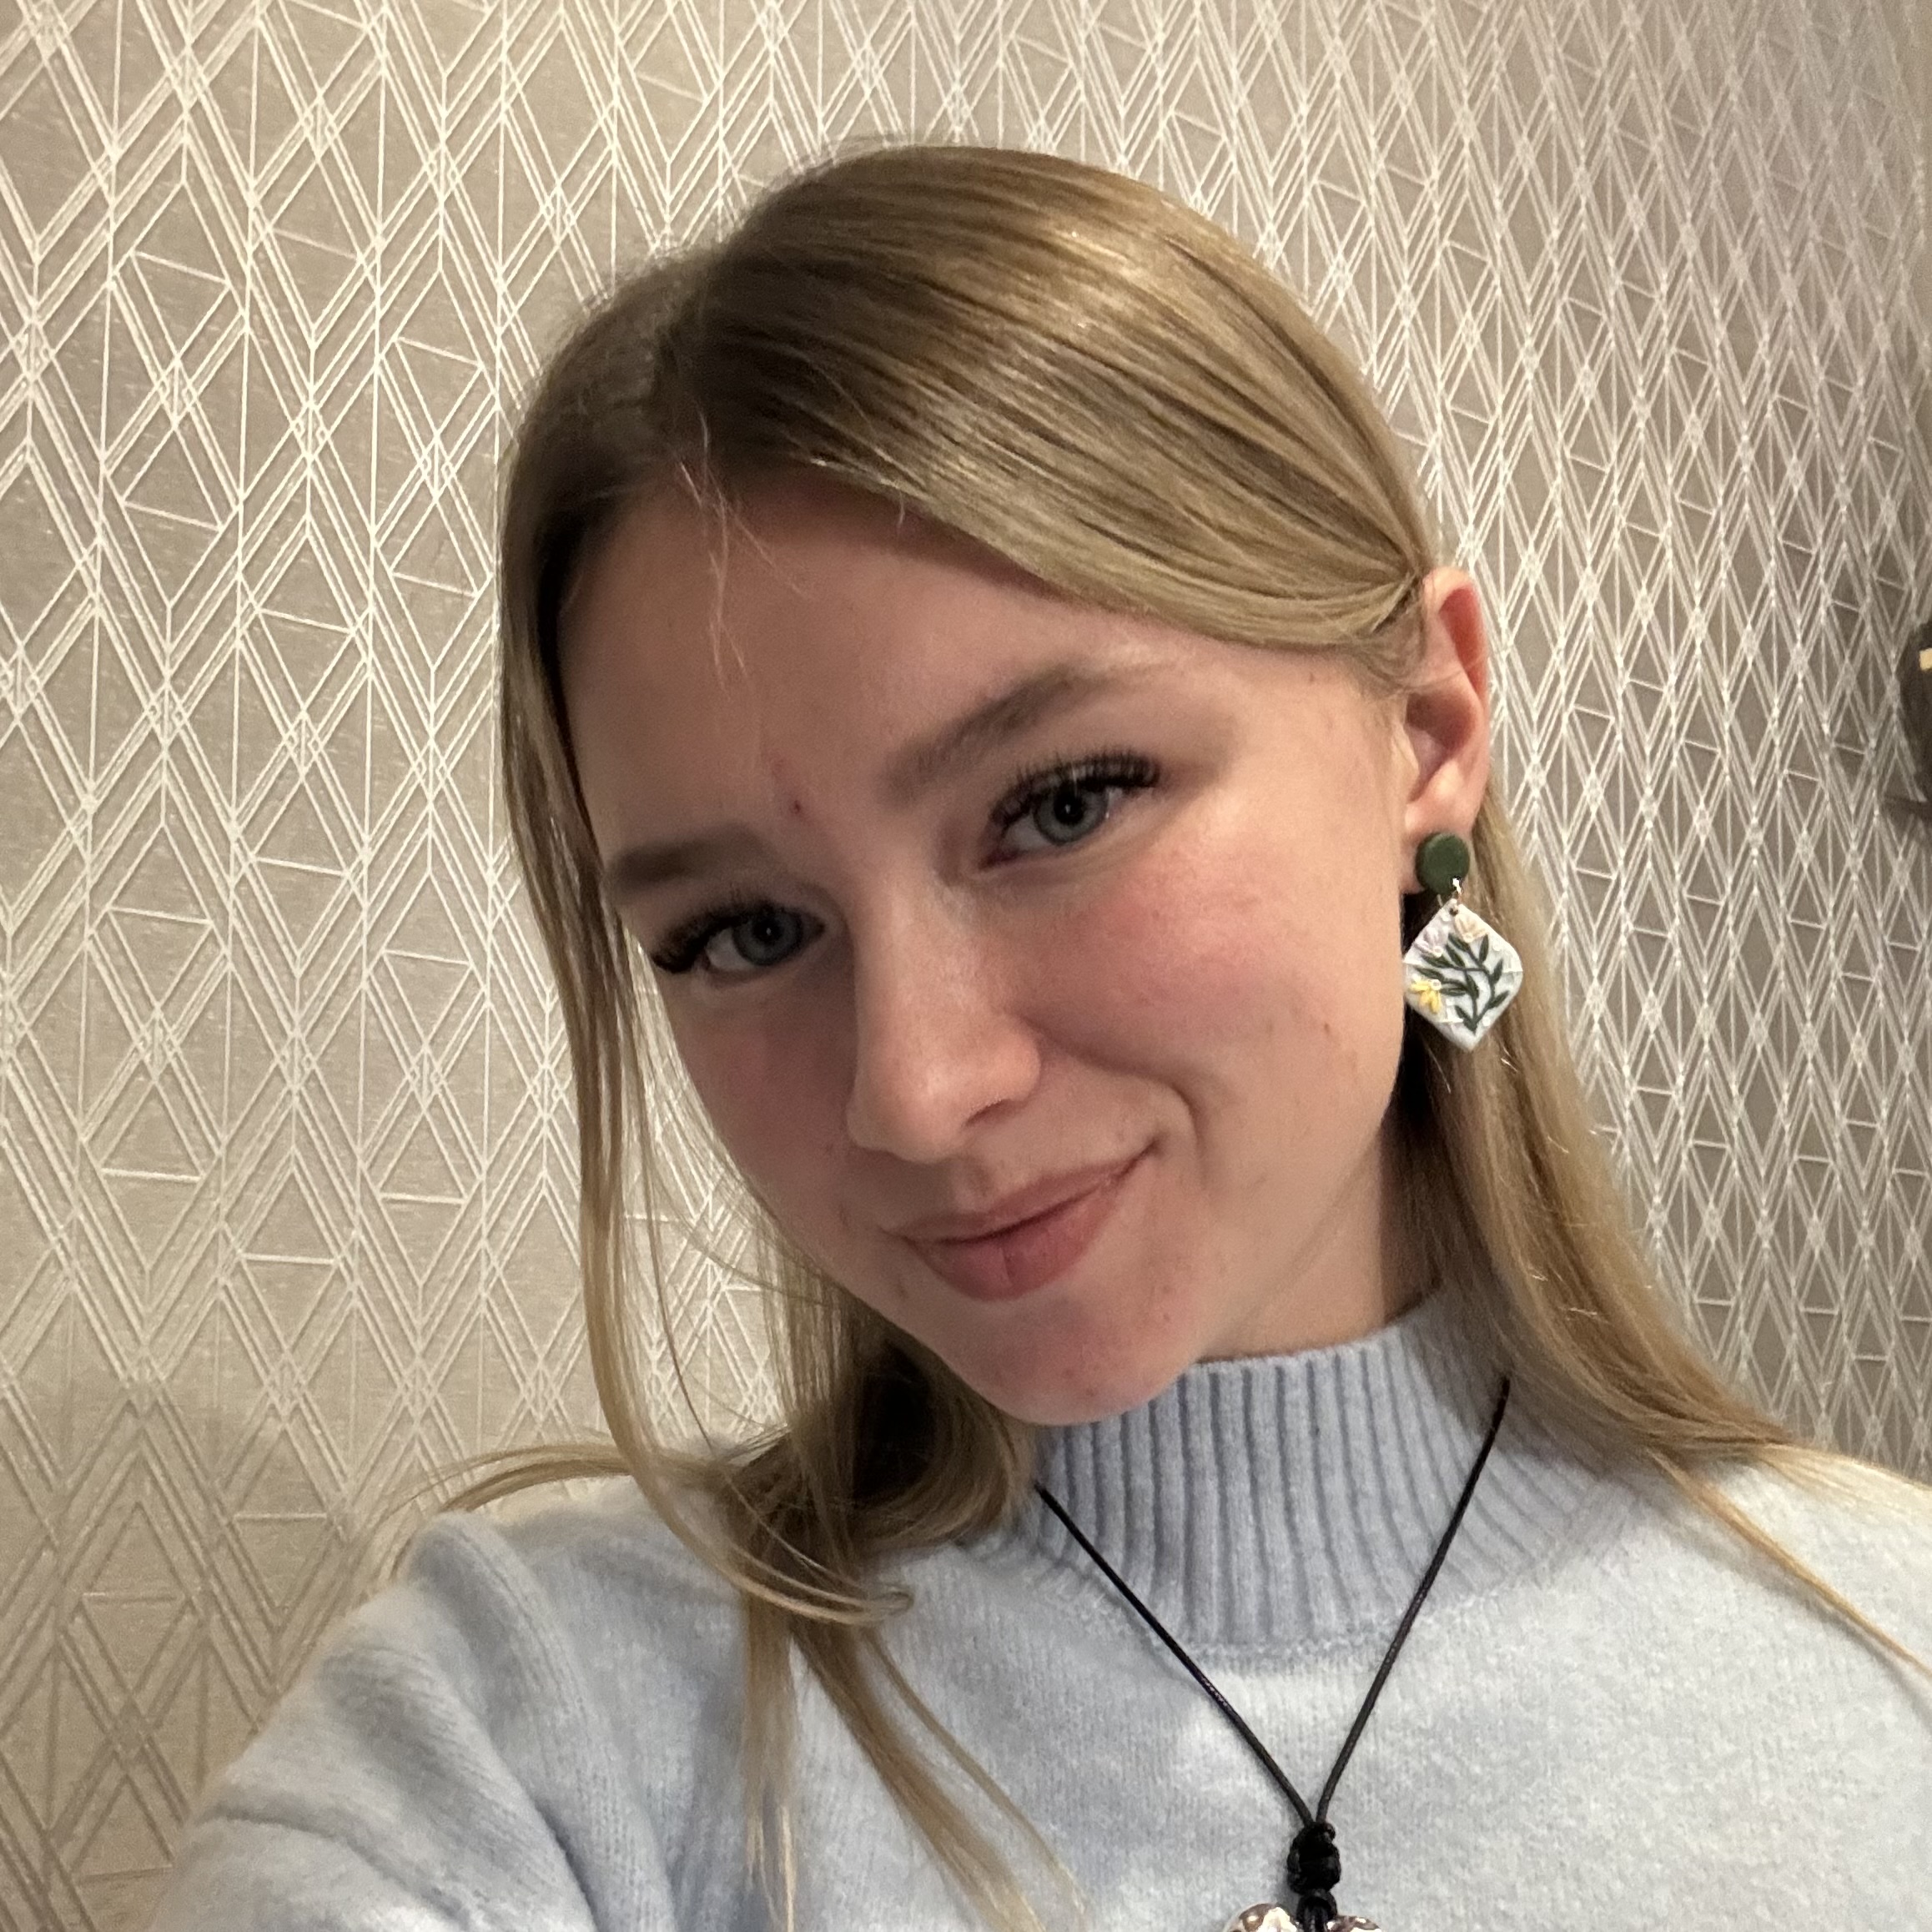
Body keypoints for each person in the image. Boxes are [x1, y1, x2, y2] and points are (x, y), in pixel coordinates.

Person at [147, 140, 1932, 1932]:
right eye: (745, 932)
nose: (916, 1095)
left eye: (1062, 805)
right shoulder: (524, 1743)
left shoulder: (1893, 1660)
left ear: (1427, 732)